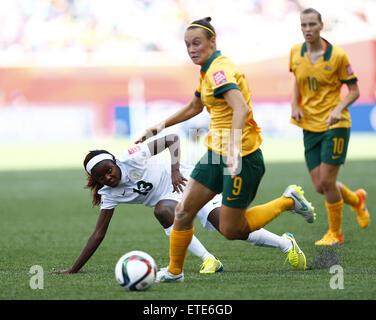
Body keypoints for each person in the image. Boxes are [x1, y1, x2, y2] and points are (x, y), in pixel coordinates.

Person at [135, 17, 316, 283]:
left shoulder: (220, 71)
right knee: (183, 211)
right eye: (187, 45)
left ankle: (289, 201)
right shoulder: (207, 71)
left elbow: (240, 108)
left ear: (212, 41)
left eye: (197, 43)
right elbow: (195, 107)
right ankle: (174, 272)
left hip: (242, 157)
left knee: (232, 229)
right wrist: (159, 126)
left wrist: (232, 150)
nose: (192, 49)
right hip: (215, 154)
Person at [52, 134, 306, 275]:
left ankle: (286, 243)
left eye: (109, 170)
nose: (109, 177)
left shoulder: (132, 157)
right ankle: (209, 260)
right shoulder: (109, 194)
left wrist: (175, 170)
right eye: (102, 177)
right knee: (162, 210)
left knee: (231, 229)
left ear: (115, 162)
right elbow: (98, 233)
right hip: (170, 202)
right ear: (96, 180)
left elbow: (172, 139)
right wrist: (73, 269)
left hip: (190, 182)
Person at [289, 8, 370, 246]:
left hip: (336, 124)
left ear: (322, 26)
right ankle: (356, 200)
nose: (307, 30)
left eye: (312, 25)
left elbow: (354, 90)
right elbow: (297, 80)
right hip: (309, 124)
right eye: (303, 25)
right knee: (319, 186)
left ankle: (336, 233)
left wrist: (338, 108)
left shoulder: (338, 56)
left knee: (326, 181)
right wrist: (295, 104)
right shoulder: (295, 52)